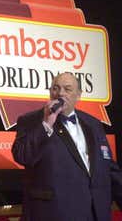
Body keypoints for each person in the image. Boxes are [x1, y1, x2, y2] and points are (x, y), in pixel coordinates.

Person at [12, 72, 122, 220]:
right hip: (56, 213)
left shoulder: (93, 124)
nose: (60, 93)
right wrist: (46, 124)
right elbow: (22, 156)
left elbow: (108, 167)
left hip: (96, 213)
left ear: (78, 95)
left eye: (67, 89)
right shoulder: (31, 121)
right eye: (55, 88)